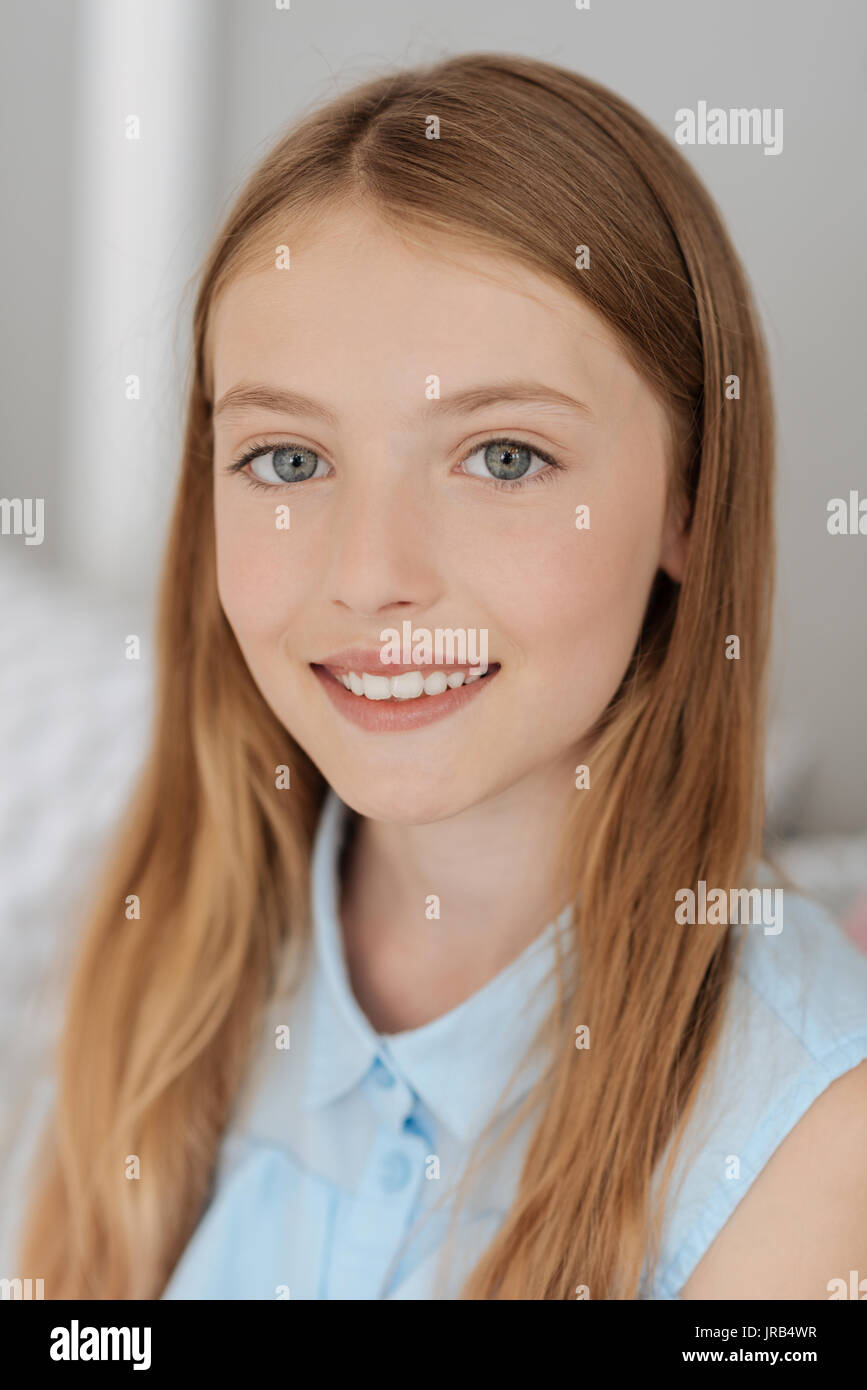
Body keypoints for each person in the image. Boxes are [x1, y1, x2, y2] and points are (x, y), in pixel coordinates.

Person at [17, 52, 867, 1300]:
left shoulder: (810, 1139)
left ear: (690, 499)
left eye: (504, 457)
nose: (371, 576)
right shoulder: (164, 949)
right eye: (289, 461)